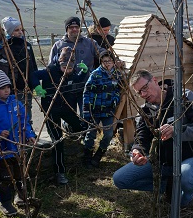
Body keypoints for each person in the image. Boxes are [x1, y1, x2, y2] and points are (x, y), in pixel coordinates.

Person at [112, 70, 193, 208]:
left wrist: (177, 131)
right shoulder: (145, 110)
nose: (144, 94)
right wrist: (136, 152)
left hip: (189, 158)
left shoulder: (183, 97)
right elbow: (141, 138)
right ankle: (163, 185)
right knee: (120, 179)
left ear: (155, 80)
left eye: (145, 88)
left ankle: (187, 196)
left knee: (185, 182)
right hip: (160, 163)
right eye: (139, 92)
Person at [30, 47, 88, 184]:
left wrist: (84, 72)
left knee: (81, 127)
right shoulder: (49, 71)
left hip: (66, 108)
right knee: (58, 141)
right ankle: (59, 172)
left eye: (70, 68)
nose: (67, 70)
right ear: (59, 63)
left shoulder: (72, 72)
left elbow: (77, 79)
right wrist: (37, 87)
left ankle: (69, 129)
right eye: (64, 67)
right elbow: (33, 75)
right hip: (51, 111)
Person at [0, 69, 36, 216]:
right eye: (2, 89)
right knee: (4, 178)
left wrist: (29, 134)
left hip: (18, 147)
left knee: (20, 174)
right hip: (2, 150)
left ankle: (20, 196)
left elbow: (25, 121)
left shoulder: (16, 103)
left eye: (8, 87)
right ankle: (5, 203)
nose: (6, 91)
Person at [48, 16, 106, 113]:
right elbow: (51, 66)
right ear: (66, 29)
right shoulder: (58, 45)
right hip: (66, 87)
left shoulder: (89, 43)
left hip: (87, 85)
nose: (74, 29)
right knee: (69, 116)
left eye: (76, 27)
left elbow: (102, 53)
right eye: (71, 27)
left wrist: (114, 59)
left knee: (87, 114)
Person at [82, 52, 124, 168]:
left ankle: (98, 155)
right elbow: (87, 92)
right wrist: (86, 110)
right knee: (91, 134)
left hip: (108, 111)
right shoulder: (95, 74)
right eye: (105, 61)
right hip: (95, 110)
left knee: (108, 134)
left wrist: (115, 99)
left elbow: (118, 89)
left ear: (113, 62)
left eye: (109, 61)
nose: (107, 64)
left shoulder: (116, 74)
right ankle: (87, 157)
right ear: (101, 62)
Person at [2, 16, 39, 117]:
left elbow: (33, 66)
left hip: (28, 85)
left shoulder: (27, 45)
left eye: (21, 29)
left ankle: (28, 128)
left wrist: (35, 82)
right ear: (9, 32)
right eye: (16, 30)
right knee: (16, 110)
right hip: (15, 86)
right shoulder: (6, 47)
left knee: (27, 108)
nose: (20, 32)